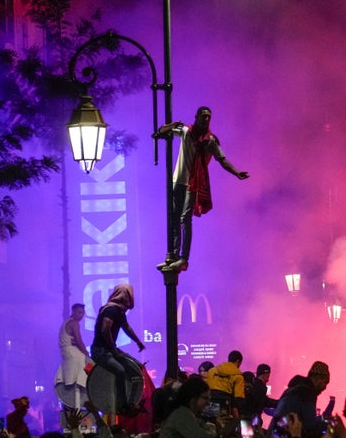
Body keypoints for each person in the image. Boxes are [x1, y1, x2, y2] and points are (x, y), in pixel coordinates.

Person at [154, 106, 250, 273]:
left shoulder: (210, 140)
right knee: (174, 218)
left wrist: (236, 173)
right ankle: (173, 256)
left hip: (193, 184)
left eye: (208, 117)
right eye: (203, 116)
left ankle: (184, 259)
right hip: (178, 181)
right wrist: (172, 125)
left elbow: (222, 159)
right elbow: (160, 131)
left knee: (185, 219)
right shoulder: (186, 132)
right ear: (196, 116)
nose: (206, 120)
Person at [90, 284, 145, 416]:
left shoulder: (118, 312)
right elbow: (105, 329)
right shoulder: (111, 310)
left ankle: (131, 403)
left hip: (109, 350)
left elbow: (126, 327)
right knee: (120, 371)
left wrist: (138, 341)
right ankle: (123, 405)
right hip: (101, 351)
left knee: (137, 368)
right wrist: (113, 349)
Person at [271, 361, 331, 438]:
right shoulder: (307, 392)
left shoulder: (293, 389)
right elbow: (310, 425)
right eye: (325, 382)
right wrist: (329, 424)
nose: (325, 387)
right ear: (317, 378)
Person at [55, 303, 91, 419]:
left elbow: (72, 340)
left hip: (66, 353)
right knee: (88, 368)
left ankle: (77, 403)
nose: (81, 315)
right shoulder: (74, 323)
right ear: (73, 312)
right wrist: (86, 352)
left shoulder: (65, 323)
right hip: (73, 354)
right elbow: (79, 340)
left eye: (83, 313)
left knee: (76, 380)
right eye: (79, 312)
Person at [205, 350, 245, 417]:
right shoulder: (238, 376)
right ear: (238, 361)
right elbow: (239, 398)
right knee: (223, 425)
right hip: (224, 404)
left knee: (210, 423)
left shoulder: (212, 371)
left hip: (209, 401)